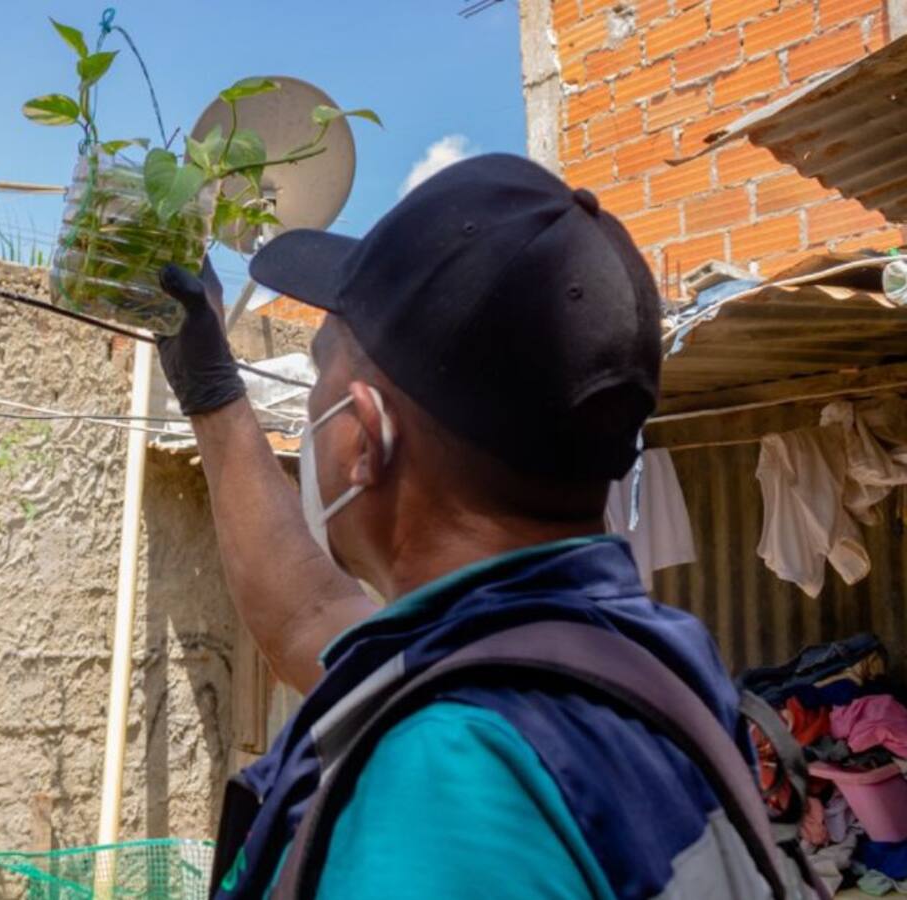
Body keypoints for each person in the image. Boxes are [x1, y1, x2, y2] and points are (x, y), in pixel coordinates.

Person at [156, 154, 770, 898]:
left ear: (365, 433)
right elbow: (311, 621)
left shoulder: (443, 783)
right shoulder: (639, 659)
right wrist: (210, 388)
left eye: (323, 363)